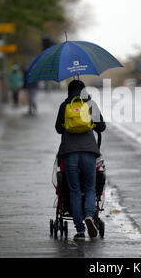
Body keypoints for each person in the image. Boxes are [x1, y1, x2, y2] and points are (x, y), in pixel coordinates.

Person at [55, 80, 106, 240]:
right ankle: (89, 215)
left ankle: (80, 230)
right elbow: (102, 127)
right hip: (89, 151)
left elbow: (58, 129)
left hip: (69, 151)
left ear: (69, 91)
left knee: (74, 190)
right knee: (90, 188)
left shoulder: (65, 106)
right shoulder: (91, 103)